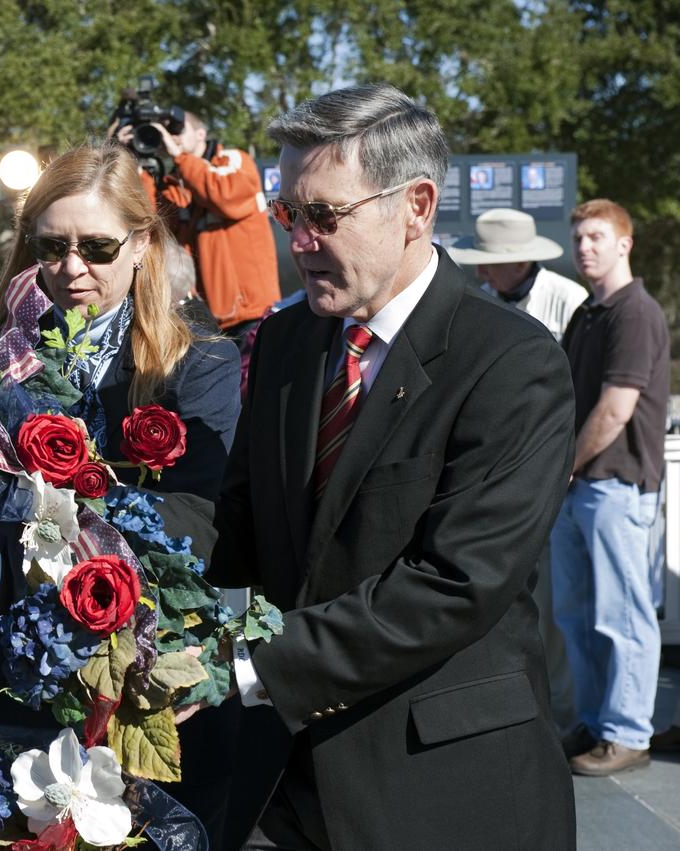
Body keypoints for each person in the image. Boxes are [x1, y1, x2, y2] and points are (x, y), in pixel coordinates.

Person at [206, 84, 576, 849]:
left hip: (443, 792)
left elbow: (452, 584)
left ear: (416, 205)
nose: (300, 241)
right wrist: (98, 550)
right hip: (285, 789)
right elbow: (234, 522)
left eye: (323, 216)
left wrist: (250, 667)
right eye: (289, 215)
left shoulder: (511, 361)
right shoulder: (285, 345)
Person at [0, 143, 244, 845]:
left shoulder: (201, 363)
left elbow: (201, 520)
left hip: (150, 688)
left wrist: (52, 503)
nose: (72, 268)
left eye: (96, 246)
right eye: (51, 247)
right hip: (25, 686)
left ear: (142, 244)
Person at [447, 206, 587, 739]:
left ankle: (559, 710)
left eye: (491, 263)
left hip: (551, 470)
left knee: (555, 605)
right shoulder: (484, 300)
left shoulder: (569, 301)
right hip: (493, 470)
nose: (482, 272)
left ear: (519, 260)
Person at [551, 198, 670, 777]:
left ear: (625, 243)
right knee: (577, 617)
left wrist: (565, 466)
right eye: (578, 238)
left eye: (597, 237)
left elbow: (616, 408)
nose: (585, 248)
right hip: (581, 489)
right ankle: (598, 725)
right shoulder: (588, 314)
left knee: (623, 617)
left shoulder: (635, 313)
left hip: (617, 485)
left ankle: (627, 734)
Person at [151, 112, 280, 338]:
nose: (172, 137)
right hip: (210, 318)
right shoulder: (179, 181)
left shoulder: (232, 160)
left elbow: (225, 195)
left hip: (252, 313)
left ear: (201, 133)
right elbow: (152, 220)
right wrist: (132, 157)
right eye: (166, 132)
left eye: (177, 129)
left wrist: (180, 158)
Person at [448, 207, 587, 342]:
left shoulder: (569, 299)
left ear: (521, 264)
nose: (479, 273)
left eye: (488, 265)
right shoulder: (480, 300)